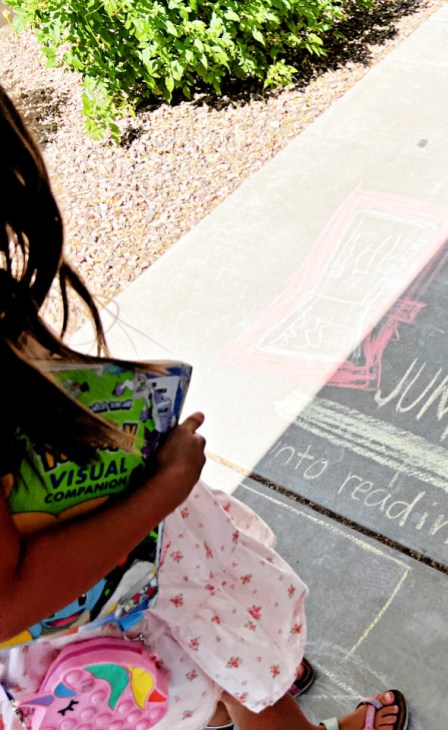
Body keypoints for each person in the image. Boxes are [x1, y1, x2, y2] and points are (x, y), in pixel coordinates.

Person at [0, 83, 407, 730]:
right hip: (127, 613)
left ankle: (248, 681)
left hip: (145, 596)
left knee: (230, 667)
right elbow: (7, 600)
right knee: (238, 679)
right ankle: (266, 697)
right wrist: (162, 491)